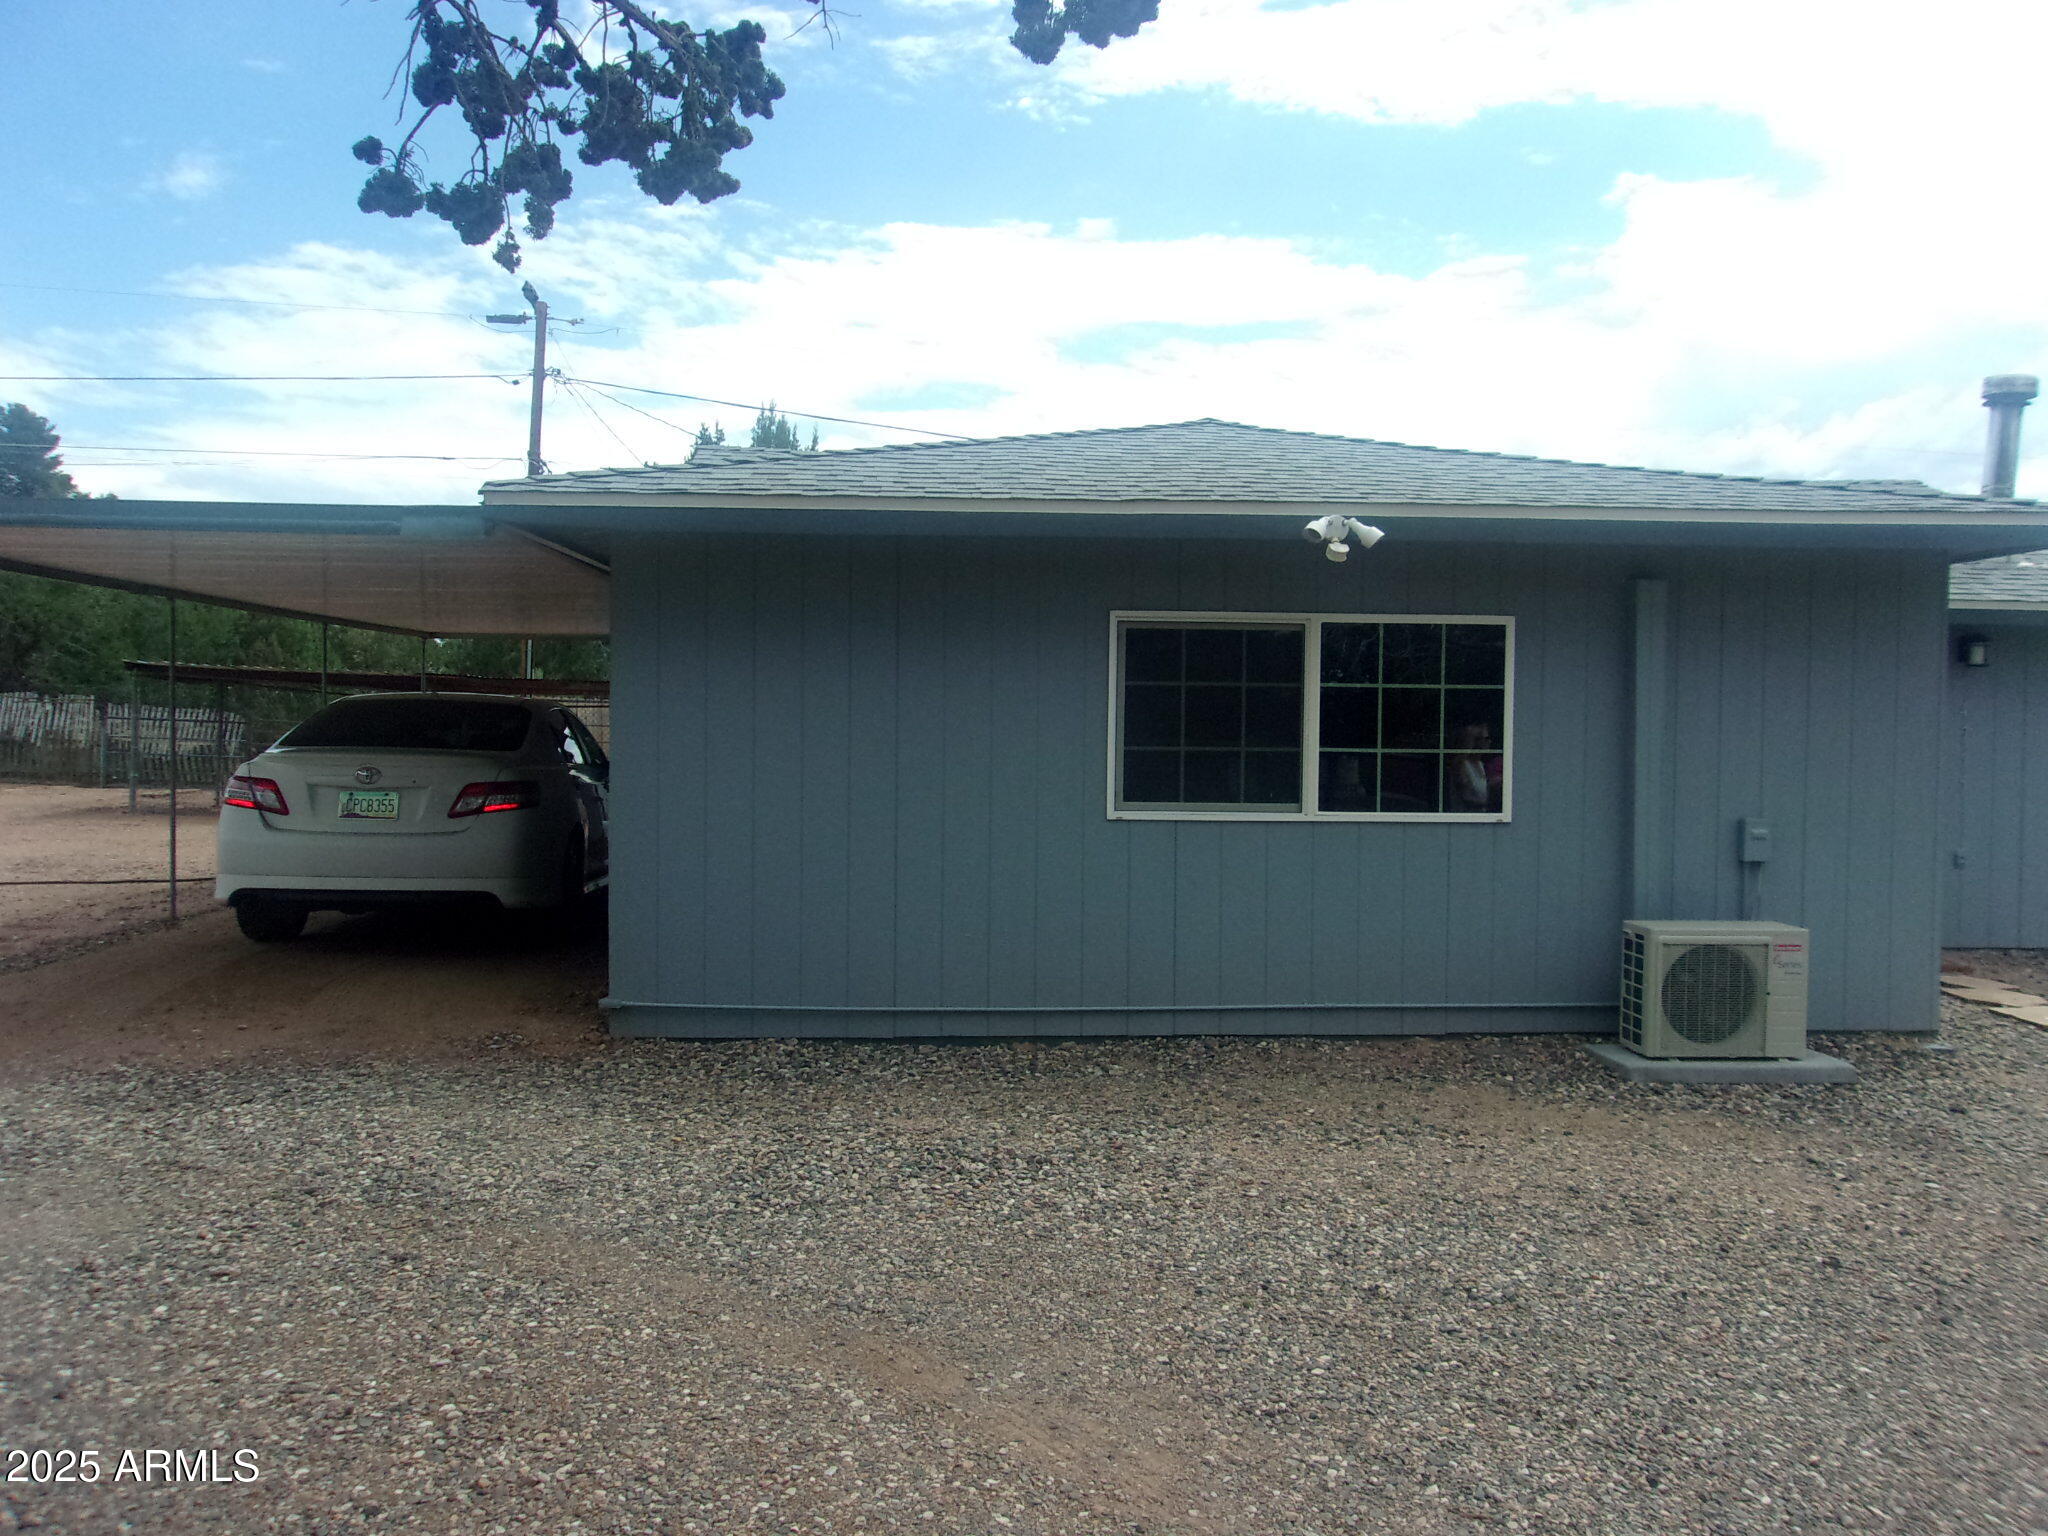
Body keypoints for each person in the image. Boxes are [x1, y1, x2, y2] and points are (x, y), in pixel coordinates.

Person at [1450, 722, 1503, 811]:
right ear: (1474, 742)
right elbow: (1467, 794)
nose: (1489, 741)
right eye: (1486, 738)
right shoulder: (1462, 765)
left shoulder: (1480, 764)